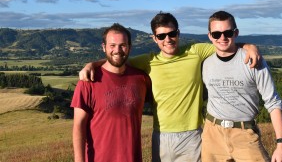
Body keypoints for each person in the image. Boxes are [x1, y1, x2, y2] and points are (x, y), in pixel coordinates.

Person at [79, 12, 261, 162]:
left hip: (192, 136)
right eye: (161, 36)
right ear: (154, 38)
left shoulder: (195, 52)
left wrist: (249, 46)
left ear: (178, 33)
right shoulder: (147, 61)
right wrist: (93, 64)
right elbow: (117, 59)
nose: (168, 39)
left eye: (172, 34)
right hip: (161, 138)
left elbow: (223, 44)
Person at [202, 11, 282, 162]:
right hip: (212, 134)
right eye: (216, 34)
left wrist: (281, 145)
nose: (222, 38)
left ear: (236, 33)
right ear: (210, 36)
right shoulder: (206, 63)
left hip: (244, 133)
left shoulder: (253, 61)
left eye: (227, 32)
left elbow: (273, 103)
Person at [71, 23, 152, 162]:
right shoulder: (88, 81)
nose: (118, 50)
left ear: (130, 47)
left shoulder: (142, 79)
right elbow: (78, 126)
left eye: (122, 45)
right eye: (112, 45)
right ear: (104, 47)